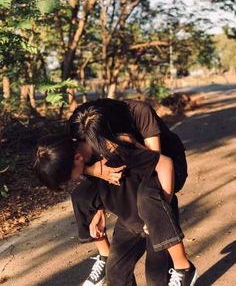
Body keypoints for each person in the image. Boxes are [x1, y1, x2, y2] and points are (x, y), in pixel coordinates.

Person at [35, 132, 198, 286]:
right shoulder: (84, 161)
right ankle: (104, 256)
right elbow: (99, 188)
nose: (73, 180)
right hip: (128, 221)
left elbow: (162, 164)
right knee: (116, 276)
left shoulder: (117, 148)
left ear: (77, 158)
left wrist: (160, 211)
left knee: (157, 280)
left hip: (154, 220)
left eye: (69, 178)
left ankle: (184, 269)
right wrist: (99, 210)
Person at [69, 98, 189, 284]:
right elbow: (82, 164)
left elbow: (157, 165)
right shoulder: (82, 126)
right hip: (134, 169)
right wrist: (99, 205)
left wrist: (158, 213)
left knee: (156, 274)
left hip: (166, 167)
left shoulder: (139, 112)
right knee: (81, 196)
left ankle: (181, 266)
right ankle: (106, 256)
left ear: (111, 130)